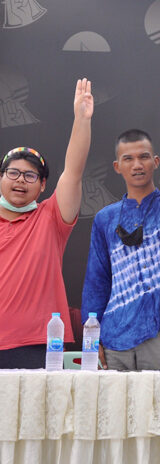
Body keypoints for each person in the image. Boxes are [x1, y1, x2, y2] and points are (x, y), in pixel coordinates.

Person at [81, 36, 160, 370]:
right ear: (117, 167)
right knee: (116, 422)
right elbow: (96, 281)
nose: (137, 164)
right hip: (115, 335)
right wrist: (93, 336)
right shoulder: (105, 218)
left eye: (144, 157)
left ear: (156, 161)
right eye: (128, 159)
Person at [0, 78, 93, 368]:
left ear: (42, 186)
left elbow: (74, 172)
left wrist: (81, 119)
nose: (20, 181)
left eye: (30, 176)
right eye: (13, 173)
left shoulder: (50, 218)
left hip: (39, 345)